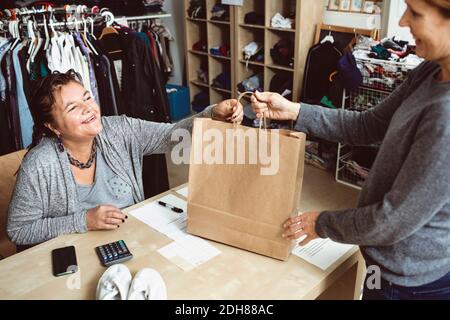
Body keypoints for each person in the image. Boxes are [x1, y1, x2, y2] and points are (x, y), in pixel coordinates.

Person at [251, 0, 450, 300]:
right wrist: (294, 111)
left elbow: (392, 220)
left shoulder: (446, 117)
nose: (402, 21)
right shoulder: (429, 71)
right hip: (384, 265)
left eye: (416, 13)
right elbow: (367, 125)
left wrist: (322, 224)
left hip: (410, 284)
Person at [7, 70, 243, 249]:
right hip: (76, 260)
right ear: (52, 126)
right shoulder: (39, 164)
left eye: (87, 98)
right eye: (73, 107)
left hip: (132, 245)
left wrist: (211, 114)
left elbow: (172, 136)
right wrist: (84, 220)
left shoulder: (119, 130)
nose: (88, 108)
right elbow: (18, 230)